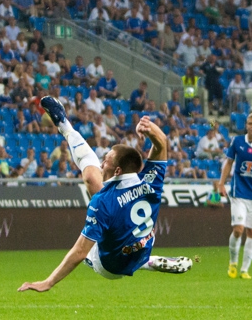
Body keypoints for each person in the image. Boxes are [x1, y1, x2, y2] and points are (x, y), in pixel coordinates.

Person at [18, 98, 192, 293]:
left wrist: (47, 282)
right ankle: (64, 124)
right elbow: (162, 143)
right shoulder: (151, 180)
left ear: (117, 171)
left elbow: (80, 252)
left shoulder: (102, 202)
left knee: (92, 178)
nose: (102, 163)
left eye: (107, 160)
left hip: (109, 265)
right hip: (141, 246)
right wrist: (149, 128)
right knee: (93, 180)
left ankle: (64, 126)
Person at [217, 112, 252, 280]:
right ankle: (233, 262)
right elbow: (228, 163)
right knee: (238, 229)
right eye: (250, 123)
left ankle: (245, 269)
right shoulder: (237, 142)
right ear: (246, 125)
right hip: (238, 192)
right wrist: (221, 183)